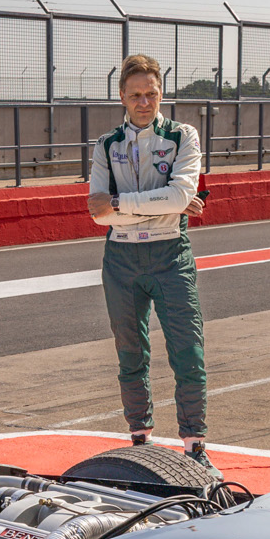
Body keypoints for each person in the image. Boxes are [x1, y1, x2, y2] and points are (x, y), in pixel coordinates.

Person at [87, 53, 213, 467]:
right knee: (130, 351)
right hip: (121, 257)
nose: (145, 102)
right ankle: (140, 443)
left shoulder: (182, 136)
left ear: (162, 93)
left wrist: (123, 202)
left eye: (152, 93)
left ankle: (195, 447)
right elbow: (97, 212)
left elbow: (177, 197)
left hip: (169, 253)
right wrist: (166, 203)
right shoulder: (107, 144)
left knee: (187, 350)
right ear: (122, 96)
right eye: (136, 95)